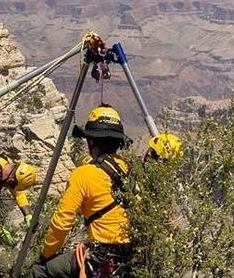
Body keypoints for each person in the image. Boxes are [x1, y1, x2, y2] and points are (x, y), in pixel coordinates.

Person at [29, 104, 182, 278]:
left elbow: (62, 223)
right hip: (131, 255)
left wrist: (45, 255)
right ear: (118, 141)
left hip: (100, 257)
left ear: (91, 140)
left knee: (39, 271)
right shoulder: (130, 169)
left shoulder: (83, 173)